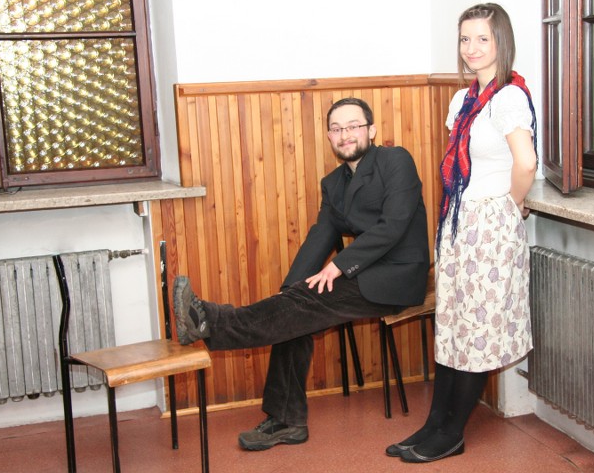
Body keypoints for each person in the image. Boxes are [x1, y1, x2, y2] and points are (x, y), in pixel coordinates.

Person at [174, 97, 430, 451]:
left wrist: (338, 265)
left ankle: (210, 320)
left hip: (399, 276)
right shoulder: (333, 184)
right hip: (361, 274)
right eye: (337, 129)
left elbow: (394, 225)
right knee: (293, 309)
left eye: (353, 126)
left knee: (298, 306)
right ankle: (287, 421)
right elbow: (319, 236)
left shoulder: (395, 160)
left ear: (371, 130)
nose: (345, 134)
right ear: (329, 137)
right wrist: (289, 289)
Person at [387, 3, 538, 463]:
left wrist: (511, 205)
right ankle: (434, 424)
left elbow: (526, 163)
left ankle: (452, 433)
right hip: (459, 222)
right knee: (453, 325)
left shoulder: (508, 97)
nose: (471, 48)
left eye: (482, 39)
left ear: (501, 42)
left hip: (489, 225)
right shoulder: (463, 99)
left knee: (478, 329)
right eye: (465, 39)